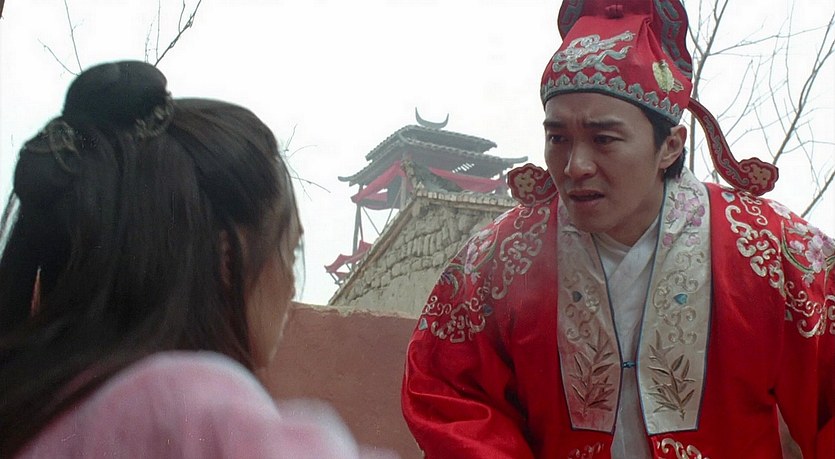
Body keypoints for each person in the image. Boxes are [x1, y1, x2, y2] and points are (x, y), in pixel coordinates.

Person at [401, 0, 834, 457]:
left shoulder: (768, 248)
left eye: (603, 139)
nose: (575, 166)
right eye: (558, 138)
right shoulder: (502, 258)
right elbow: (449, 395)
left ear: (670, 145)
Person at [0, 61, 380, 458]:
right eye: (292, 249)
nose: (291, 284)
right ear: (227, 258)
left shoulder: (39, 410)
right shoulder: (186, 411)